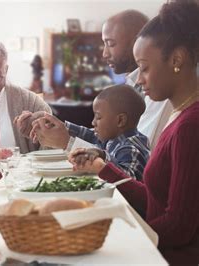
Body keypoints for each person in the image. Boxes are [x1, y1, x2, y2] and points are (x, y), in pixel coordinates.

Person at [69, 2, 199, 264]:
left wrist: (114, 237)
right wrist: (102, 168)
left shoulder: (190, 126)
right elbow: (155, 201)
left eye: (145, 67)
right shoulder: (179, 116)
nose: (139, 79)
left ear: (176, 60)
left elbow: (178, 227)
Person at [28, 10, 173, 151]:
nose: (104, 54)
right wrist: (60, 128)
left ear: (137, 41)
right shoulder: (131, 84)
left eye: (110, 44)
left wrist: (68, 143)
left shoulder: (157, 89)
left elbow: (135, 153)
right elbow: (110, 139)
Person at [34, 84, 149, 181]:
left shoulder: (131, 148)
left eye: (98, 117)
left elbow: (127, 180)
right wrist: (61, 126)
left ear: (120, 120)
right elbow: (88, 134)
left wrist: (103, 156)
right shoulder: (112, 136)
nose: (93, 122)